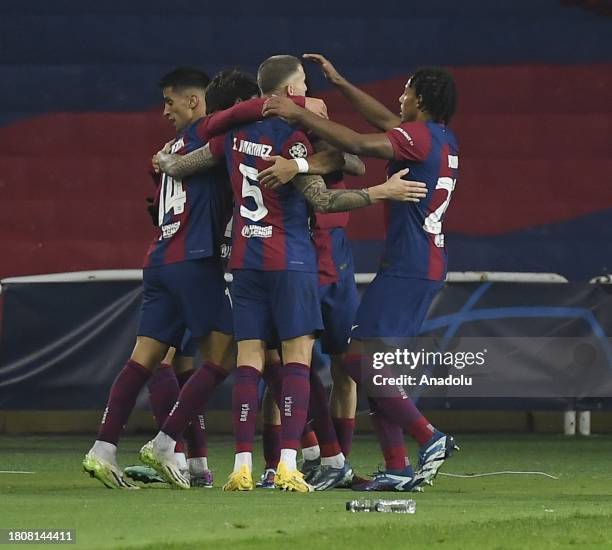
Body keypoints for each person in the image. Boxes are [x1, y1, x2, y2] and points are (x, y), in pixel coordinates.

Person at [151, 55, 429, 492]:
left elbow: (184, 165)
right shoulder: (295, 135)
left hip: (246, 260)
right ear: (283, 92)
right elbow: (332, 190)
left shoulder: (231, 137)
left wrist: (165, 161)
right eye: (301, 83)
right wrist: (379, 191)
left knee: (253, 362)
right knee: (302, 363)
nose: (307, 90)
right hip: (295, 258)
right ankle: (290, 464)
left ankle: (245, 464)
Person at [262, 54, 460, 491]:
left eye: (407, 90)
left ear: (421, 99)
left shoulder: (417, 139)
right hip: (421, 263)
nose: (400, 96)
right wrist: (342, 83)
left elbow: (358, 143)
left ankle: (430, 437)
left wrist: (295, 111)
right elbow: (385, 120)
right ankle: (397, 466)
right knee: (371, 364)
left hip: (409, 267)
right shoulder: (440, 138)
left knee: (357, 358)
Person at [81, 67, 260, 489]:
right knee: (223, 356)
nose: (164, 111)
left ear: (194, 100)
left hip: (160, 257)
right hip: (194, 259)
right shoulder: (214, 139)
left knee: (144, 358)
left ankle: (103, 449)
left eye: (169, 101)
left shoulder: (173, 147)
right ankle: (165, 443)